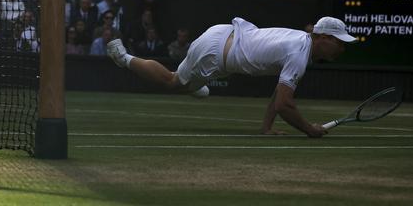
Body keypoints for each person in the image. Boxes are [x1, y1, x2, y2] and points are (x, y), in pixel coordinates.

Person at [107, 16, 356, 137]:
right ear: (323, 38)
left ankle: (195, 86)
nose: (342, 49)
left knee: (184, 81)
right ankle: (124, 58)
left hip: (221, 35)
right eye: (339, 42)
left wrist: (266, 128)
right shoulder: (300, 53)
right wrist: (308, 129)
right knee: (173, 82)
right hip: (215, 54)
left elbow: (279, 95)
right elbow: (284, 104)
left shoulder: (299, 43)